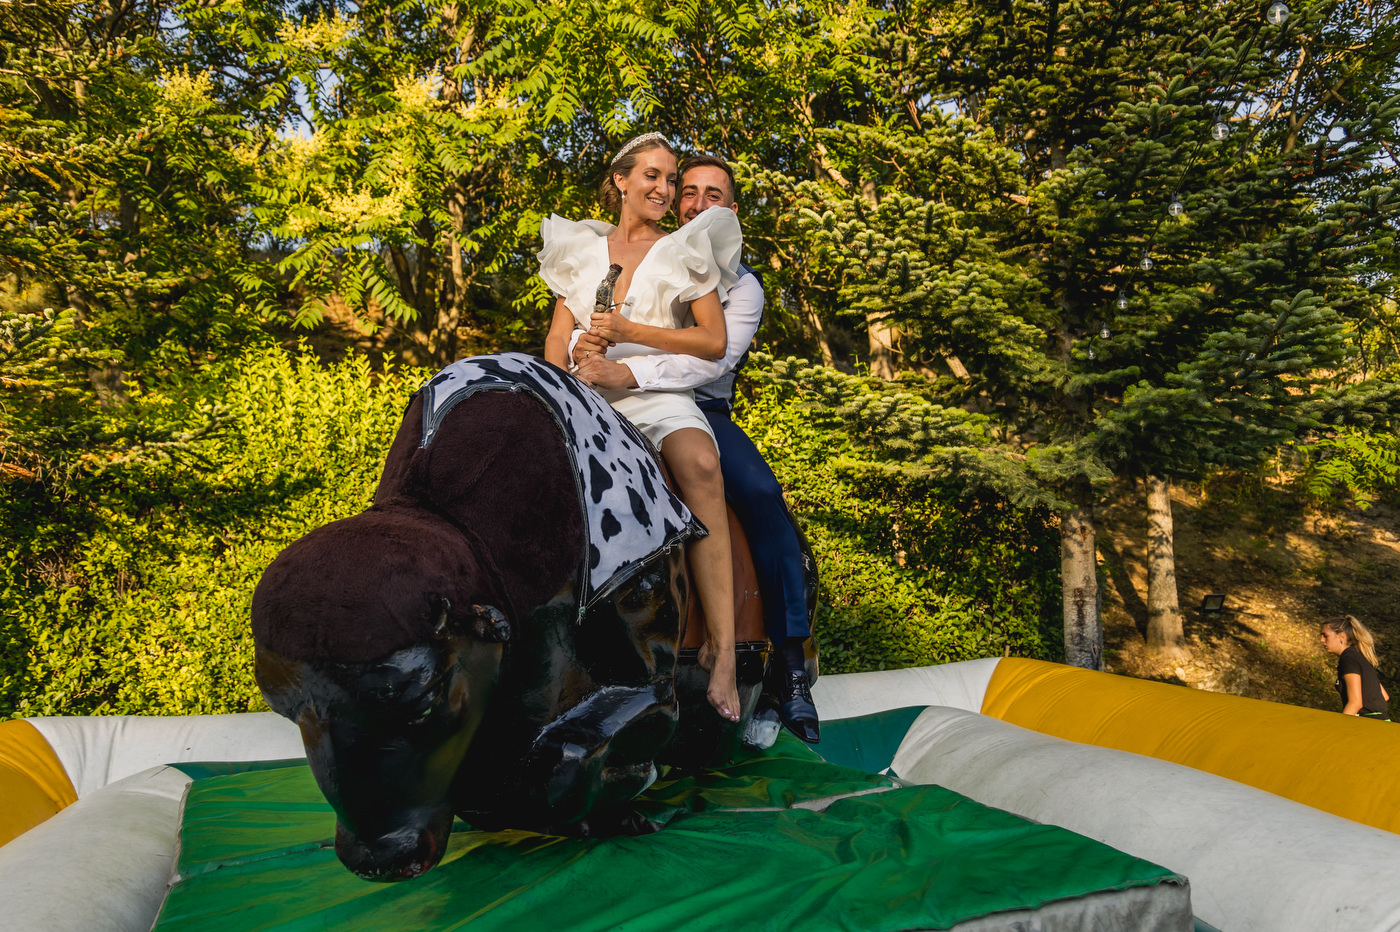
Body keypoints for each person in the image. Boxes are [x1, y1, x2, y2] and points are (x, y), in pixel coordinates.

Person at [570, 155, 821, 743]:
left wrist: (626, 372)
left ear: (729, 211)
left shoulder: (742, 285)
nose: (697, 203)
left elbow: (711, 358)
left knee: (757, 492)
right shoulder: (642, 255)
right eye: (689, 191)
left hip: (696, 406)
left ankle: (788, 668)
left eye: (714, 195)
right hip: (606, 390)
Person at [540, 132, 741, 723]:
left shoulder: (687, 249)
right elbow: (557, 334)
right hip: (587, 394)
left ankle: (724, 651)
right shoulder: (579, 247)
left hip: (657, 395)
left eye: (669, 178)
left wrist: (632, 333)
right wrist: (563, 384)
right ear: (620, 181)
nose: (664, 188)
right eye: (651, 176)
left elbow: (713, 340)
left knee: (702, 466)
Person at [1320, 615, 1391, 721]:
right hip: (1382, 723)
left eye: (1325, 636)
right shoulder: (1359, 657)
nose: (1321, 640)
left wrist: (1338, 726)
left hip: (1368, 726)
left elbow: (1355, 703)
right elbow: (1384, 696)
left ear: (1341, 637)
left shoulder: (1348, 659)